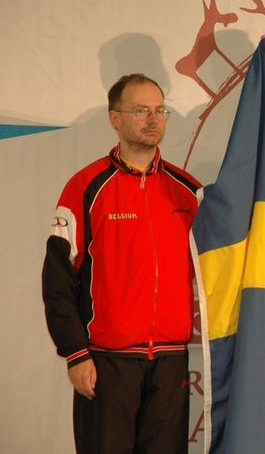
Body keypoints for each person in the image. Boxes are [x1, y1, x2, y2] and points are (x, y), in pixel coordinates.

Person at [42, 73, 201, 453]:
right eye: (141, 110)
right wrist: (75, 353)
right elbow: (58, 280)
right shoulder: (86, 186)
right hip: (106, 363)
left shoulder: (188, 191)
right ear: (115, 118)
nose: (154, 119)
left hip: (170, 362)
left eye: (160, 110)